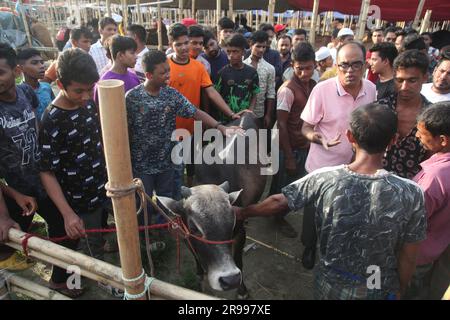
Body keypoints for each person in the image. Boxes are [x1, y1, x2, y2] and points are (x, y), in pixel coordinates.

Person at [235, 103, 426, 300]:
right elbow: (409, 255)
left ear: (350, 136)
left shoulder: (324, 178)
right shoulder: (411, 193)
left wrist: (243, 212)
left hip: (332, 280)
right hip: (375, 283)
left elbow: (278, 201)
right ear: (393, 140)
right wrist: (400, 288)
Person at [125, 50, 242, 227]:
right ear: (148, 75)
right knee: (144, 201)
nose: (167, 75)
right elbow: (124, 129)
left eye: (168, 70)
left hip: (166, 162)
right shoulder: (132, 98)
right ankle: (144, 236)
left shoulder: (171, 95)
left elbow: (195, 112)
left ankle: (162, 229)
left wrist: (220, 127)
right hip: (142, 165)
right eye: (162, 72)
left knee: (166, 200)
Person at [38, 48, 121, 297]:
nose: (86, 96)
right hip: (76, 202)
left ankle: (90, 272)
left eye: (90, 89)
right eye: (78, 91)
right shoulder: (53, 119)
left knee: (95, 238)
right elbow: (46, 171)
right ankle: (71, 285)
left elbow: (97, 139)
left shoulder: (86, 103)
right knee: (77, 250)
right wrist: (67, 214)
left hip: (98, 189)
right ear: (60, 83)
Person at [0, 43, 79, 296]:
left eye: (1, 72)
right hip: (11, 189)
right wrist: (6, 208)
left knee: (65, 228)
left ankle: (59, 279)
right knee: (6, 235)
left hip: (41, 180)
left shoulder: (26, 93)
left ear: (16, 70)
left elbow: (37, 128)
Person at [300, 42, 376, 269]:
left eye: (356, 65)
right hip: (322, 167)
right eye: (344, 65)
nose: (350, 71)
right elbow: (305, 128)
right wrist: (320, 139)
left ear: (365, 65)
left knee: (343, 210)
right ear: (336, 65)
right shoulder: (322, 90)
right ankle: (309, 247)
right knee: (314, 211)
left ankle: (333, 247)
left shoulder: (371, 89)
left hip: (355, 167)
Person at [168, 23, 243, 189]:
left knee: (191, 167)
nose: (184, 47)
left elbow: (211, 92)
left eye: (186, 42)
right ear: (170, 45)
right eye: (178, 44)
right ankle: (173, 209)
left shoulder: (198, 67)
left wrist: (231, 114)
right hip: (169, 130)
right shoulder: (165, 66)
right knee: (174, 173)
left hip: (192, 128)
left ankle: (187, 202)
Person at [406, 102, 450, 299]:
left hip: (417, 254)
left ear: (442, 140)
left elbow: (412, 220)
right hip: (438, 247)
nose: (416, 136)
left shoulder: (435, 177)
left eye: (422, 133)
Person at [273, 43, 317, 238]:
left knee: (295, 184)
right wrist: (289, 156)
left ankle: (277, 213)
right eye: (300, 68)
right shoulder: (287, 90)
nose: (305, 73)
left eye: (308, 68)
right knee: (283, 186)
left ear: (315, 65)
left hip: (304, 145)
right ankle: (276, 218)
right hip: (287, 148)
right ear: (293, 65)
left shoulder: (313, 85)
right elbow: (281, 124)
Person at [379, 49, 431, 179]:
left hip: (410, 188)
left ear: (425, 78)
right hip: (375, 183)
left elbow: (431, 159)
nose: (404, 87)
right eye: (399, 80)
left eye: (412, 80)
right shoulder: (380, 108)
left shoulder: (431, 116)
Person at [215, 33, 259, 118]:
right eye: (229, 51)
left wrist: (250, 111)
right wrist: (230, 114)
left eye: (235, 51)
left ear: (243, 52)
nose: (231, 55)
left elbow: (255, 93)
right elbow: (216, 97)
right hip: (226, 119)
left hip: (244, 118)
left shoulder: (252, 72)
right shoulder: (222, 73)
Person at [94, 35, 140, 104]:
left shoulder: (134, 77)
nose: (136, 57)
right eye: (132, 53)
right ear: (120, 55)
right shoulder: (105, 82)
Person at [243, 31, 276, 127]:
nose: (261, 50)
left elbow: (270, 93)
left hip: (260, 114)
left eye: (264, 47)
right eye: (258, 46)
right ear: (250, 45)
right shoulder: (242, 65)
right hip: (242, 112)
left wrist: (268, 115)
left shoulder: (270, 68)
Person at [17, 48, 55, 120]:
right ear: (21, 68)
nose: (41, 66)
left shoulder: (46, 87)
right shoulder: (18, 93)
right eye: (34, 63)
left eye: (42, 62)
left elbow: (54, 109)